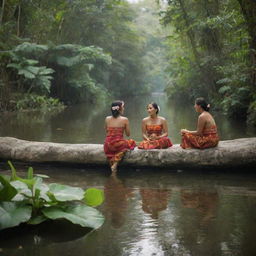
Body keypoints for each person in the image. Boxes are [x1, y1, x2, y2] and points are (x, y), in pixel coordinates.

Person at [104, 100, 136, 172]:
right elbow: (128, 134)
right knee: (131, 143)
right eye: (123, 107)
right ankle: (115, 163)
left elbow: (106, 131)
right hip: (118, 144)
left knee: (114, 145)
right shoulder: (125, 119)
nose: (124, 108)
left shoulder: (107, 118)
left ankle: (112, 166)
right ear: (119, 109)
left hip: (107, 144)